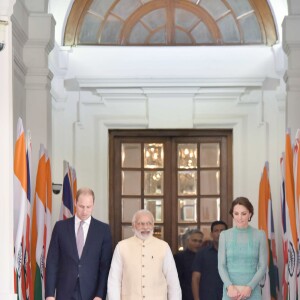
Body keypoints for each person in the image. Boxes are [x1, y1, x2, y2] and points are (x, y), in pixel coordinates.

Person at [45, 187, 113, 300]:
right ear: (75, 203)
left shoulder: (103, 230)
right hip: (64, 291)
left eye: (88, 207)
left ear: (93, 205)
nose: (85, 211)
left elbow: (105, 266)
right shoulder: (60, 227)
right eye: (81, 206)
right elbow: (52, 262)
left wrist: (100, 295)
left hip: (91, 293)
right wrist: (50, 294)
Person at [107, 209, 182, 300]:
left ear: (153, 225)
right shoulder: (121, 247)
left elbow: (173, 282)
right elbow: (114, 281)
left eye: (149, 223)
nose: (145, 227)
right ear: (134, 225)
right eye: (141, 224)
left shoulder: (163, 247)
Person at [218, 197, 267, 300]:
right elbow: (221, 265)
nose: (239, 218)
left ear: (250, 214)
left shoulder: (260, 235)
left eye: (243, 214)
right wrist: (229, 287)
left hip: (252, 292)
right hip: (230, 292)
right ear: (232, 214)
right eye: (236, 214)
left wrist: (250, 287)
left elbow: (263, 266)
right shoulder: (224, 235)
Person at [191, 220, 228, 300]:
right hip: (207, 297)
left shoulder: (233, 253)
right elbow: (195, 278)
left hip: (228, 296)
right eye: (216, 231)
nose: (219, 233)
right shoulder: (202, 253)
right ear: (211, 234)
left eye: (222, 231)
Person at [174, 229, 204, 300]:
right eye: (194, 240)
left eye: (200, 241)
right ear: (188, 241)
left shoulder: (204, 256)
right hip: (185, 295)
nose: (197, 244)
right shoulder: (179, 257)